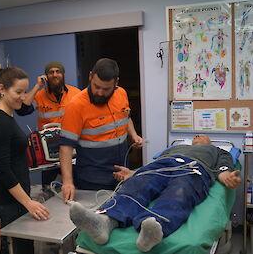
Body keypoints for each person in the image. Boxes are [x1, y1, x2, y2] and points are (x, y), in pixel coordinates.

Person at [69, 134, 241, 252]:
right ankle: (105, 222)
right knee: (138, 185)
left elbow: (224, 168)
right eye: (195, 135)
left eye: (202, 136)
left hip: (193, 170)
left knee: (180, 191)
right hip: (163, 165)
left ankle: (153, 229)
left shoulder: (217, 151)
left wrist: (226, 177)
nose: (197, 136)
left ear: (210, 142)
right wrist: (133, 173)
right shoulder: (175, 148)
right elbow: (151, 166)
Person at [59, 58, 143, 201]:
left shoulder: (121, 93)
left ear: (116, 83)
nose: (99, 92)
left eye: (106, 89)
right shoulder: (76, 106)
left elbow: (126, 116)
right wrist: (67, 182)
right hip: (93, 181)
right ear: (90, 76)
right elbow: (66, 147)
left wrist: (134, 135)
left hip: (123, 174)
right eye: (96, 86)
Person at [0, 67, 50, 254]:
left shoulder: (8, 116)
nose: (23, 97)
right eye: (18, 92)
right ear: (2, 89)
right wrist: (28, 203)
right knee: (19, 248)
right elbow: (3, 171)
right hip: (9, 200)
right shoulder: (0, 123)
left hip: (18, 198)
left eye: (25, 91)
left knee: (22, 247)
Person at [16, 61, 81, 191]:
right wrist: (37, 86)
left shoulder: (76, 94)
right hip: (48, 152)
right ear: (46, 76)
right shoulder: (39, 95)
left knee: (74, 186)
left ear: (63, 74)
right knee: (48, 189)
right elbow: (22, 110)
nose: (54, 75)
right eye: (51, 72)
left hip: (71, 149)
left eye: (58, 72)